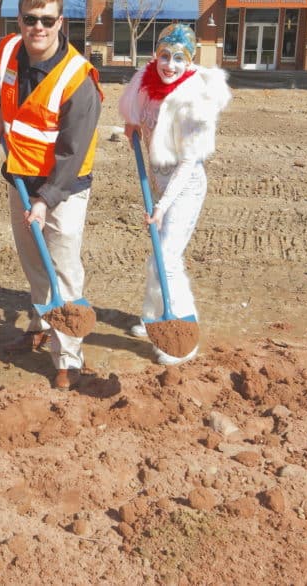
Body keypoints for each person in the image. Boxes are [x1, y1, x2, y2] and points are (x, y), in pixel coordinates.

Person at [0, 0, 103, 390]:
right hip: (19, 175)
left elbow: (72, 153)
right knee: (34, 261)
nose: (38, 27)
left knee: (62, 269)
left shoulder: (77, 80)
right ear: (20, 21)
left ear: (60, 23)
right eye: (31, 19)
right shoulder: (4, 51)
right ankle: (38, 324)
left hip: (64, 187)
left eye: (47, 20)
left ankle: (68, 357)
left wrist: (45, 200)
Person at [119, 24, 231, 365]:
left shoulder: (194, 101)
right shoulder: (147, 81)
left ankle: (182, 327)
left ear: (190, 61)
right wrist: (132, 124)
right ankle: (153, 316)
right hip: (158, 181)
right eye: (164, 55)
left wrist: (162, 206)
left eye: (178, 58)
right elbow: (138, 115)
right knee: (160, 253)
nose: (169, 64)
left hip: (185, 188)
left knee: (165, 259)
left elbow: (187, 163)